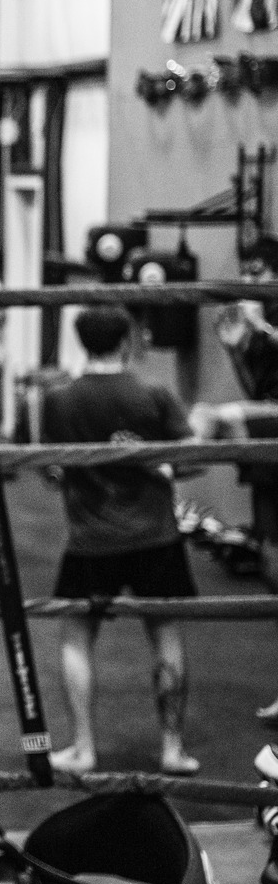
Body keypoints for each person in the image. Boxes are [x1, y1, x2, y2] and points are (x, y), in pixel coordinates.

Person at [41, 305, 200, 777]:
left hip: (91, 539)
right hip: (156, 536)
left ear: (81, 342)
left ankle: (85, 748)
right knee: (165, 633)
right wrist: (149, 462)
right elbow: (196, 458)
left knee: (76, 638)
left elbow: (50, 470)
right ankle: (172, 749)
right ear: (127, 342)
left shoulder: (58, 401)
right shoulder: (153, 394)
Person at [187, 236, 278, 721]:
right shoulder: (255, 328)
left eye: (261, 270)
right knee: (269, 553)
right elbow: (261, 388)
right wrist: (241, 348)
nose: (251, 280)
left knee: (212, 415)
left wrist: (263, 328)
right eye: (247, 271)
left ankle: (171, 464)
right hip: (270, 444)